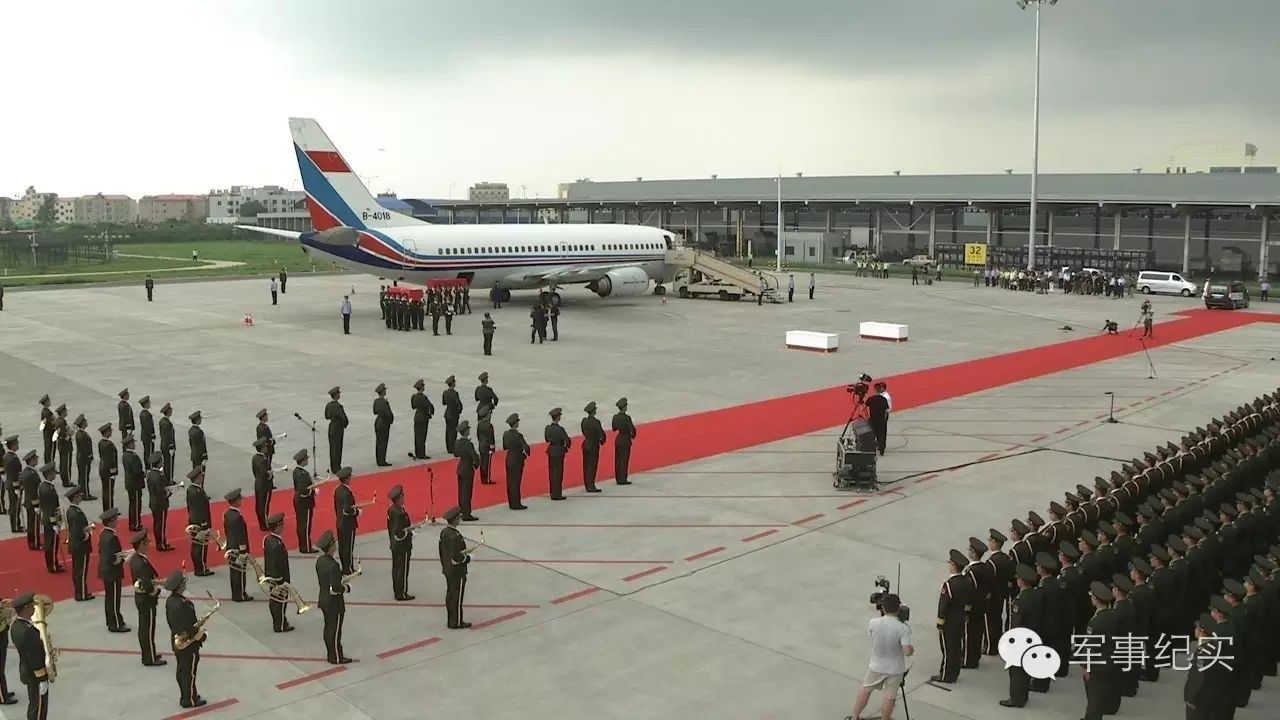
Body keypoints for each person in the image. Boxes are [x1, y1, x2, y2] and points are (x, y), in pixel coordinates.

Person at [848, 593, 913, 720]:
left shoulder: (873, 623)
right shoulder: (903, 628)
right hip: (895, 669)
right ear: (898, 609)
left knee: (865, 690)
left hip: (876, 665)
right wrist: (911, 649)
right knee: (890, 697)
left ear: (883, 608)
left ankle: (854, 716)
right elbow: (907, 652)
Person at [163, 569, 205, 708]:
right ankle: (190, 699)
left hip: (177, 639)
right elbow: (190, 627)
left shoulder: (170, 601)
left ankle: (186, 695)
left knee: (182, 670)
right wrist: (201, 636)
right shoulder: (183, 604)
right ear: (180, 586)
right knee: (189, 673)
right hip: (188, 643)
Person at [127, 529, 166, 667]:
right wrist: (158, 591)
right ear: (142, 545)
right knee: (147, 629)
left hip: (141, 599)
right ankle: (149, 658)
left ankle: (150, 653)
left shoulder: (136, 558)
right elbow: (148, 585)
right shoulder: (142, 563)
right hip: (146, 600)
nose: (149, 544)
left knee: (145, 627)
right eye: (147, 542)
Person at [8, 592, 50, 719]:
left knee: (35, 704)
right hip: (36, 676)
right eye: (32, 606)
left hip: (28, 671)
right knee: (38, 708)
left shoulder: (17, 625)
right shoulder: (27, 632)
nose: (34, 608)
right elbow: (34, 657)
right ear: (25, 609)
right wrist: (42, 679)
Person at [932, 549, 970, 684]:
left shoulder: (949, 584)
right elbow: (969, 600)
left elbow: (943, 605)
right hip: (960, 619)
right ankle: (954, 672)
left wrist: (940, 622)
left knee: (947, 649)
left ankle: (946, 675)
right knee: (956, 647)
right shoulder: (966, 581)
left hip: (949, 621)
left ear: (953, 565)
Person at [315, 530, 353, 664]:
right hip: (334, 603)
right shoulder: (333, 565)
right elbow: (335, 588)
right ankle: (336, 656)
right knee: (335, 631)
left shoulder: (320, 561)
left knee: (328, 628)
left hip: (324, 599)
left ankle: (330, 653)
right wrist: (346, 588)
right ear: (331, 546)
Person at [438, 507, 473, 629]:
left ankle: (451, 619)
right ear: (456, 519)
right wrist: (467, 558)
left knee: (451, 594)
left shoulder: (444, 532)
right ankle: (456, 621)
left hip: (448, 568)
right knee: (456, 596)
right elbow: (456, 558)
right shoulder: (455, 536)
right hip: (457, 571)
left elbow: (443, 551)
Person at [98, 508, 130, 633]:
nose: (117, 521)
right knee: (114, 599)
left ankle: (111, 620)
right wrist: (124, 559)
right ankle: (115, 623)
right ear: (111, 521)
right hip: (112, 572)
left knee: (109, 597)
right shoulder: (111, 537)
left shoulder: (103, 534)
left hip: (106, 571)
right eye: (115, 519)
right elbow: (113, 558)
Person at [263, 512, 292, 632]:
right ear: (277, 527)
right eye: (281, 525)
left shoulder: (268, 539)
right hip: (279, 578)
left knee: (275, 600)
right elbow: (277, 563)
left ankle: (279, 621)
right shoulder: (277, 545)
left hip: (271, 576)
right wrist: (281, 581)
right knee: (280, 601)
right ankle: (280, 624)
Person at [223, 489, 252, 603]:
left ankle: (235, 593)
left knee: (233, 572)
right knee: (240, 572)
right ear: (235, 501)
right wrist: (243, 551)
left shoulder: (227, 514)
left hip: (231, 546)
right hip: (238, 549)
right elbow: (241, 536)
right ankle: (241, 594)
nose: (241, 501)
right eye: (239, 499)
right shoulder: (238, 517)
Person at [64, 486, 93, 601]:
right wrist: (86, 535)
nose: (81, 497)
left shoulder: (71, 510)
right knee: (81, 571)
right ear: (75, 497)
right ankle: (82, 594)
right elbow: (78, 532)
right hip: (81, 546)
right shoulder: (77, 513)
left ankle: (79, 592)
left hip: (75, 545)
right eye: (80, 495)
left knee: (77, 570)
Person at [387, 484, 415, 601]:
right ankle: (401, 593)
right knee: (402, 570)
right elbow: (399, 533)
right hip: (402, 546)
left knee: (396, 569)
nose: (404, 498)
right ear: (399, 498)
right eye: (402, 496)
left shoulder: (392, 510)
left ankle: (397, 590)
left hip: (395, 545)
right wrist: (410, 533)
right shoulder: (399, 513)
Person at [186, 465, 213, 577]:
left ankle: (199, 567)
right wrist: (204, 524)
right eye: (201, 476)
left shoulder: (192, 489)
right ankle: (201, 568)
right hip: (200, 522)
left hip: (194, 520)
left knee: (196, 545)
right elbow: (200, 509)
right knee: (200, 546)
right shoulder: (197, 492)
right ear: (197, 478)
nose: (202, 477)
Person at [145, 452, 175, 552]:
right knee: (161, 525)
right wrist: (170, 493)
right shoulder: (159, 476)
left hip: (153, 502)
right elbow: (161, 492)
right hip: (161, 503)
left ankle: (159, 542)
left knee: (156, 523)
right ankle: (161, 544)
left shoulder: (150, 474)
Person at [36, 462, 62, 573]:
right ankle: (53, 565)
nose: (55, 475)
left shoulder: (43, 486)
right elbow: (52, 508)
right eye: (53, 473)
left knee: (49, 543)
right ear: (49, 474)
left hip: (46, 518)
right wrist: (55, 523)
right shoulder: (49, 489)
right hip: (51, 521)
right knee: (52, 544)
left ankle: (51, 564)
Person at [333, 467, 359, 575]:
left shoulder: (337, 490)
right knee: (348, 547)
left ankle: (344, 566)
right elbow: (348, 510)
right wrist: (357, 512)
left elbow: (337, 507)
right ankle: (348, 569)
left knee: (342, 546)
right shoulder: (347, 493)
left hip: (340, 521)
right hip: (348, 523)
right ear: (347, 479)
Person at [291, 449, 317, 553]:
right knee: (305, 525)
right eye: (306, 459)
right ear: (303, 460)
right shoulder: (303, 474)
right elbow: (304, 490)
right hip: (304, 502)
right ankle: (306, 547)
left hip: (298, 501)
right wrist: (313, 491)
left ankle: (303, 545)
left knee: (300, 524)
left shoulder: (296, 471)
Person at [503, 413, 530, 510]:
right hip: (517, 459)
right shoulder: (518, 436)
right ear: (515, 424)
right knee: (515, 482)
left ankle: (511, 502)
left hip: (509, 458)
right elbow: (526, 448)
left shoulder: (506, 434)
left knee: (509, 482)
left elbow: (505, 446)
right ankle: (516, 503)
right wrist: (525, 455)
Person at [454, 421, 480, 521]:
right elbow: (475, 457)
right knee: (467, 492)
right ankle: (466, 513)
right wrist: (476, 464)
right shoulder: (469, 444)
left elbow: (456, 454)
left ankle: (461, 510)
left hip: (460, 467)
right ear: (465, 431)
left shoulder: (458, 442)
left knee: (461, 491)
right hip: (467, 468)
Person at [545, 408, 571, 500]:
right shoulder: (560, 429)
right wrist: (565, 445)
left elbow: (547, 439)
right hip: (558, 451)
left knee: (552, 472)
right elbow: (567, 440)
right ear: (558, 417)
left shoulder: (548, 428)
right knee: (558, 473)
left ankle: (552, 492)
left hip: (551, 450)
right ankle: (557, 493)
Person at [580, 402, 606, 493]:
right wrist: (601, 441)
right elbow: (601, 434)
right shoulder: (596, 422)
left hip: (586, 444)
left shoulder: (584, 421)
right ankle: (591, 485)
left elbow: (583, 432)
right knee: (592, 465)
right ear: (593, 411)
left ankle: (587, 484)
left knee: (586, 465)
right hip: (593, 445)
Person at [611, 397, 637, 485]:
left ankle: (618, 478)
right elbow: (632, 430)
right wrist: (632, 436)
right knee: (624, 459)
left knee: (618, 459)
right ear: (624, 407)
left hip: (618, 439)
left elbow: (614, 428)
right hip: (625, 439)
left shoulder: (615, 417)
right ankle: (623, 478)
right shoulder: (627, 418)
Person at [120, 436, 144, 531]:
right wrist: (144, 474)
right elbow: (137, 471)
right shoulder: (133, 456)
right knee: (136, 504)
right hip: (135, 483)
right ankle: (136, 523)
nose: (134, 444)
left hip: (130, 482)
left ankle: (131, 523)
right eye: (133, 443)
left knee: (132, 504)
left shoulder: (125, 455)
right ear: (129, 445)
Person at [325, 387, 348, 475]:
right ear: (336, 395)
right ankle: (337, 467)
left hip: (331, 427)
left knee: (332, 448)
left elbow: (327, 416)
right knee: (337, 448)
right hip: (338, 428)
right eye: (338, 393)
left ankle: (333, 467)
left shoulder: (329, 405)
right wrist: (345, 424)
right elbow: (344, 418)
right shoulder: (338, 406)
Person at [409, 379, 434, 460]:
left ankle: (417, 452)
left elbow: (413, 407)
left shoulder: (414, 397)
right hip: (423, 417)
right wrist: (431, 413)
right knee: (422, 437)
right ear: (421, 387)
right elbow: (430, 406)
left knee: (417, 436)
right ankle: (422, 454)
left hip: (417, 417)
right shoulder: (423, 397)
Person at [373, 382, 394, 467]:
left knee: (378, 442)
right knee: (383, 442)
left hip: (377, 422)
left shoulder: (376, 401)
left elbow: (374, 412)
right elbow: (388, 414)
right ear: (382, 392)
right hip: (384, 423)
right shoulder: (384, 402)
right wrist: (391, 420)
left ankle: (379, 460)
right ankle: (382, 460)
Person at [866, 385, 890, 456]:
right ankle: (882, 450)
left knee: (872, 435)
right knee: (881, 435)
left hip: (873, 420)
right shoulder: (884, 399)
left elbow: (865, 405)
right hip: (881, 420)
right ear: (880, 390)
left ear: (875, 390)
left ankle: (872, 450)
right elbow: (886, 411)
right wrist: (885, 419)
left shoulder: (871, 399)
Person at [442, 376, 462, 455]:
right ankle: (452, 448)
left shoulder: (445, 393)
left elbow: (444, 402)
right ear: (453, 383)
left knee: (448, 431)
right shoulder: (455, 393)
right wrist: (459, 410)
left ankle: (448, 447)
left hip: (447, 413)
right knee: (453, 432)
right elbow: (458, 404)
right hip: (454, 414)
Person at [476, 406, 496, 485]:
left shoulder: (479, 424)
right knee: (487, 463)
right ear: (487, 415)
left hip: (481, 445)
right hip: (487, 446)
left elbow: (478, 435)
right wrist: (492, 447)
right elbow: (491, 437)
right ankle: (487, 479)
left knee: (482, 462)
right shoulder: (489, 425)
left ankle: (482, 478)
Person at [158, 403, 176, 483]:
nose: (171, 411)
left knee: (166, 463)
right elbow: (168, 436)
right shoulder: (167, 423)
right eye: (170, 410)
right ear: (168, 411)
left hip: (164, 445)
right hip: (168, 446)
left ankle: (167, 478)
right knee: (169, 464)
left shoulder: (162, 421)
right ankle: (169, 480)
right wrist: (171, 446)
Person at [138, 396, 155, 465]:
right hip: (148, 437)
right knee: (149, 452)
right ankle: (149, 466)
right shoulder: (147, 414)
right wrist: (152, 435)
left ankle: (147, 466)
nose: (149, 404)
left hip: (144, 436)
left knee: (146, 452)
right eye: (148, 402)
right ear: (145, 404)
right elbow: (149, 427)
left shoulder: (142, 413)